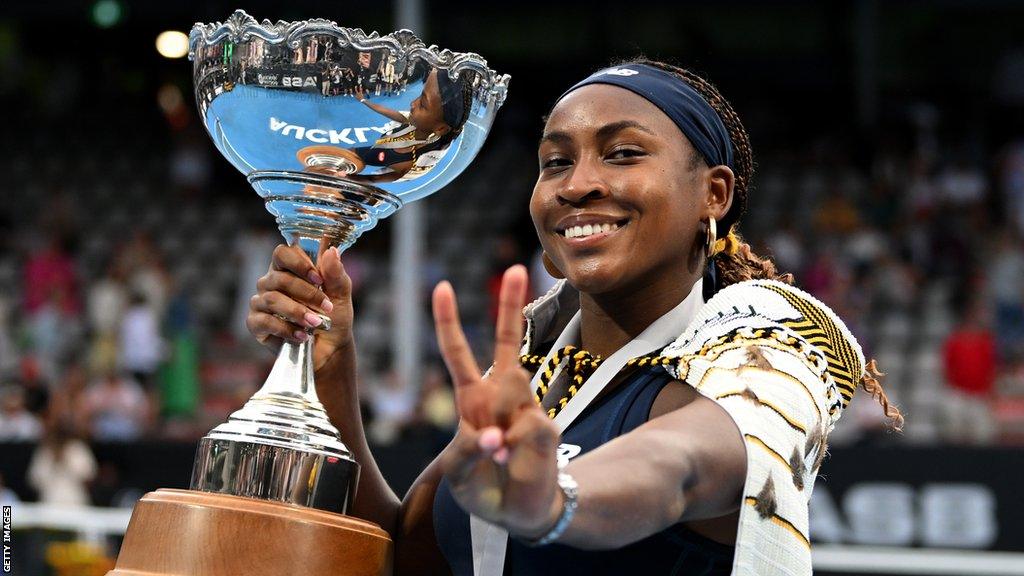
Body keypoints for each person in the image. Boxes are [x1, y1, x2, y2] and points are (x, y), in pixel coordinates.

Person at [246, 60, 901, 575]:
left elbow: (677, 470)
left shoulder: (767, 343)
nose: (576, 183)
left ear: (715, 193)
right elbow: (397, 555)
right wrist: (331, 365)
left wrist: (552, 499)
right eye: (555, 161)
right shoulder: (540, 364)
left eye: (622, 153)